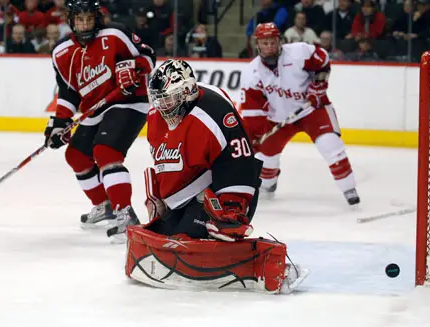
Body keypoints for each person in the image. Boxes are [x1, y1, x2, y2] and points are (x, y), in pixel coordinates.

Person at [124, 59, 308, 294]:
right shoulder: (156, 115)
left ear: (187, 92)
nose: (163, 107)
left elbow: (240, 162)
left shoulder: (214, 111)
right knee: (160, 233)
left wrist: (232, 210)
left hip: (215, 195)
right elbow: (163, 160)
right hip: (186, 194)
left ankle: (259, 259)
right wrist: (161, 200)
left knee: (186, 237)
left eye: (168, 99)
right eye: (158, 100)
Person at [44, 0, 156, 240]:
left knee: (105, 152)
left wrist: (134, 67)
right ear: (71, 21)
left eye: (88, 19)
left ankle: (125, 213)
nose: (84, 24)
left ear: (96, 18)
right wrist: (59, 124)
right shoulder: (61, 52)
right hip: (95, 109)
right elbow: (68, 93)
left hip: (128, 101)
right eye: (79, 19)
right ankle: (103, 205)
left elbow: (148, 55)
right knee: (75, 155)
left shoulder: (115, 34)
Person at [238, 22, 360, 206]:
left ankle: (350, 191)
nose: (269, 46)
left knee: (331, 145)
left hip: (312, 110)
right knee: (266, 156)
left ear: (279, 41)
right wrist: (255, 136)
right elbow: (253, 111)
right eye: (265, 43)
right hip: (278, 118)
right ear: (258, 45)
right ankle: (268, 185)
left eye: (272, 41)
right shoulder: (251, 72)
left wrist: (318, 86)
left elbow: (323, 59)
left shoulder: (300, 52)